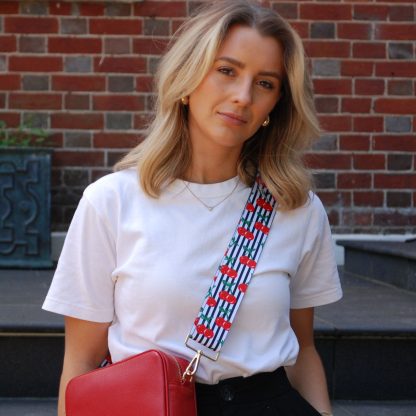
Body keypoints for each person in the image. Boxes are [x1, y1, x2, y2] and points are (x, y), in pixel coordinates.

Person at [43, 1, 342, 415]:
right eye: (227, 71)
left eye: (265, 83)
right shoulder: (111, 202)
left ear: (276, 106)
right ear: (187, 79)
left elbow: (303, 349)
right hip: (151, 404)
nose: (242, 96)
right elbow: (80, 362)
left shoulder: (297, 209)